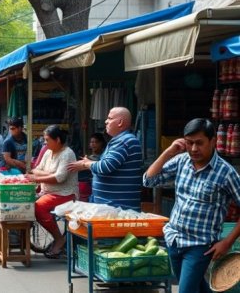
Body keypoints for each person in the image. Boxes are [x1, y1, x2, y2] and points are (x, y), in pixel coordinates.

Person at [144, 118, 240, 293]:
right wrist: (168, 152)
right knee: (197, 287)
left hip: (201, 246)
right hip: (174, 239)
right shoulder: (181, 161)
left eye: (199, 143)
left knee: (186, 290)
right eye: (189, 143)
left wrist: (227, 242)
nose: (194, 149)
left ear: (213, 141)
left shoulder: (226, 173)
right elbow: (149, 180)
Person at [67, 107, 143, 211]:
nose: (106, 121)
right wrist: (90, 163)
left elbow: (105, 167)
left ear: (120, 122)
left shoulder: (124, 141)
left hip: (119, 208)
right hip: (110, 206)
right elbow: (107, 165)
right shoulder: (118, 141)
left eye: (110, 118)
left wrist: (85, 164)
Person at [27, 125, 78, 258]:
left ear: (58, 140)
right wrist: (49, 173)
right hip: (47, 191)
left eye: (47, 140)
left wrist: (39, 177)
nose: (44, 143)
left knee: (38, 208)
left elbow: (60, 178)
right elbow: (36, 169)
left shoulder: (67, 153)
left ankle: (59, 239)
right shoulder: (48, 152)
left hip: (64, 193)